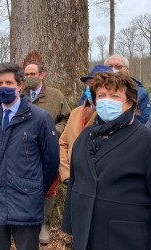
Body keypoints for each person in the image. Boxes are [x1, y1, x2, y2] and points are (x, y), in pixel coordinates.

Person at [62, 72, 151, 250]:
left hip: (126, 237)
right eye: (101, 95)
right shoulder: (84, 136)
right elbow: (75, 183)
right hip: (85, 233)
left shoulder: (145, 140)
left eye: (115, 96)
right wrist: (72, 226)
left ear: (130, 103)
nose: (106, 100)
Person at [0, 62, 59, 250]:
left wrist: (33, 188)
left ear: (20, 85)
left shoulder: (40, 118)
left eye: (8, 83)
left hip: (26, 202)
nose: (3, 87)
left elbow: (50, 161)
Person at [22, 62, 71, 244]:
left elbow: (67, 117)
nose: (29, 77)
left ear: (42, 75)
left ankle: (44, 224)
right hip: (25, 150)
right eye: (26, 73)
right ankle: (26, 221)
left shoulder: (55, 95)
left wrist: (53, 132)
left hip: (49, 149)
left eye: (33, 73)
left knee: (49, 186)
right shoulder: (20, 95)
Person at [59, 65, 112, 184]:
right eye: (89, 83)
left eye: (96, 83)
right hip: (74, 180)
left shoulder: (111, 114)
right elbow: (62, 144)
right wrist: (66, 174)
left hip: (98, 182)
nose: (91, 87)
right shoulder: (75, 112)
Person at [78, 54, 151, 124]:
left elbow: (143, 121)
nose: (113, 70)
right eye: (110, 66)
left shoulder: (141, 93)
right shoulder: (89, 91)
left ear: (127, 71)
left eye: (118, 67)